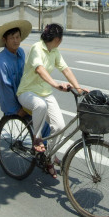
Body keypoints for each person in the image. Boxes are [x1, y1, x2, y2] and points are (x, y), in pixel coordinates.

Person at [17, 23, 85, 178]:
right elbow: (39, 69)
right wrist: (56, 84)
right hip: (27, 92)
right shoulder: (37, 48)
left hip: (45, 93)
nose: (60, 41)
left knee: (60, 126)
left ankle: (48, 156)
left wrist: (79, 88)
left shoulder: (54, 51)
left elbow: (65, 69)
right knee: (40, 105)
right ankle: (37, 140)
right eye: (60, 38)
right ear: (57, 39)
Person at [0, 20, 32, 117]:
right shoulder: (1, 63)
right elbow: (5, 89)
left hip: (24, 99)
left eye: (17, 37)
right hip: (14, 108)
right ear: (5, 40)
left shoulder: (20, 52)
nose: (16, 41)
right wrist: (16, 110)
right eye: (12, 38)